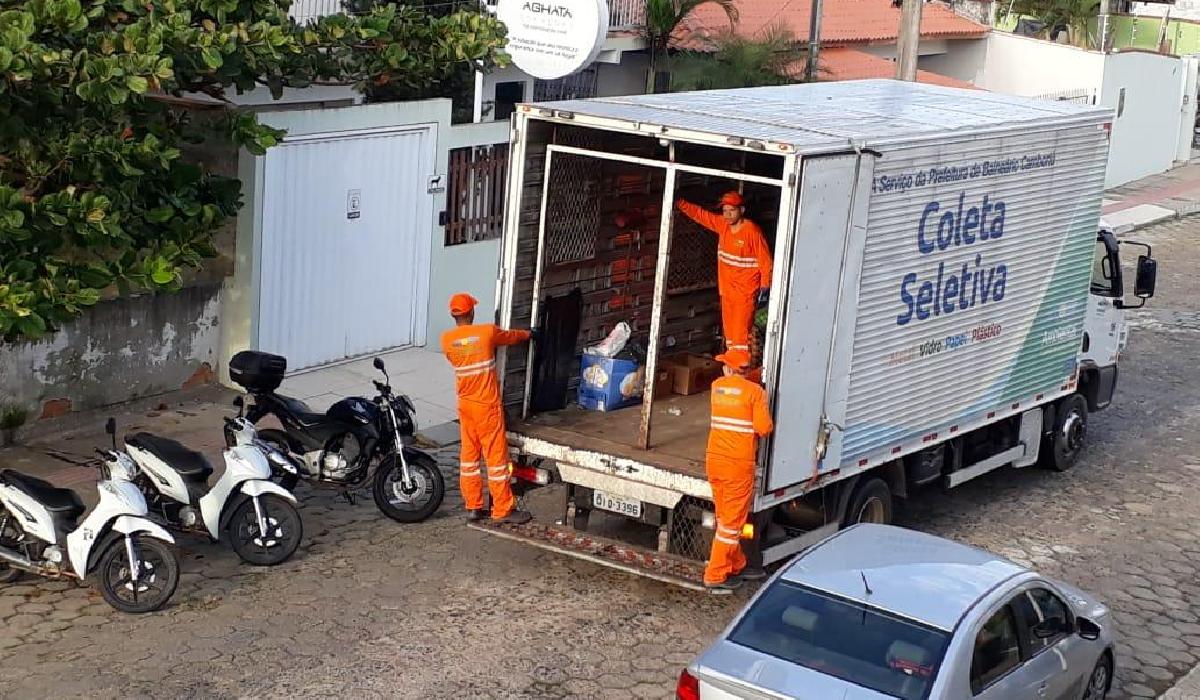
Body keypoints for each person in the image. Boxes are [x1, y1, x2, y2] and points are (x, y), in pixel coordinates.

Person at [441, 293, 534, 524]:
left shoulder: (446, 340)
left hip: (465, 405)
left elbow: (458, 357)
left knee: (469, 457)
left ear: (454, 315)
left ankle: (473, 506)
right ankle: (503, 509)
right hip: (486, 406)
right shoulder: (486, 333)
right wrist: (529, 334)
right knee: (496, 458)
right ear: (471, 312)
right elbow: (510, 337)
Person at [704, 349, 774, 592]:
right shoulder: (756, 393)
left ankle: (738, 564)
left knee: (724, 517)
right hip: (738, 465)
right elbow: (764, 428)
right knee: (732, 524)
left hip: (715, 461)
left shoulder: (716, 388)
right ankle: (716, 573)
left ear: (728, 369)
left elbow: (734, 388)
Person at [676, 191, 773, 355]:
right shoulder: (723, 225)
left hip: (744, 295)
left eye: (731, 210)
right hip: (727, 293)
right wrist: (680, 203)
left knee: (740, 340)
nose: (727, 215)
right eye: (725, 211)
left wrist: (765, 287)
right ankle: (733, 371)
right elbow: (701, 215)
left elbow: (766, 263)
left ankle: (739, 375)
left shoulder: (752, 232)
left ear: (741, 210)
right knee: (731, 339)